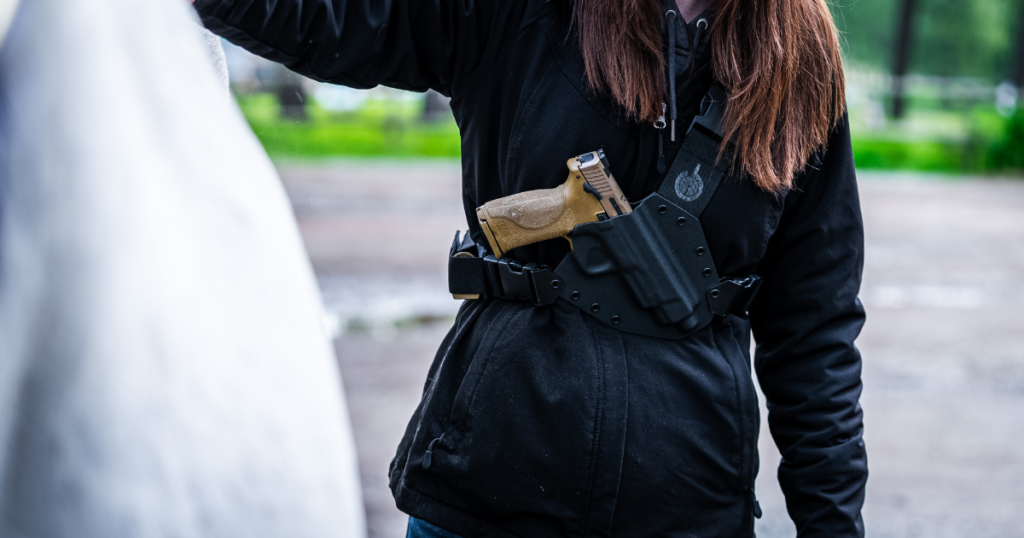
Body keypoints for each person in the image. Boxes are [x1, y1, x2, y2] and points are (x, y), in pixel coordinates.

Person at [191, 0, 867, 535]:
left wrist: (833, 527)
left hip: (688, 502)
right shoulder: (526, 10)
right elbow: (340, 15)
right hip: (489, 483)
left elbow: (815, 335)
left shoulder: (799, 62)